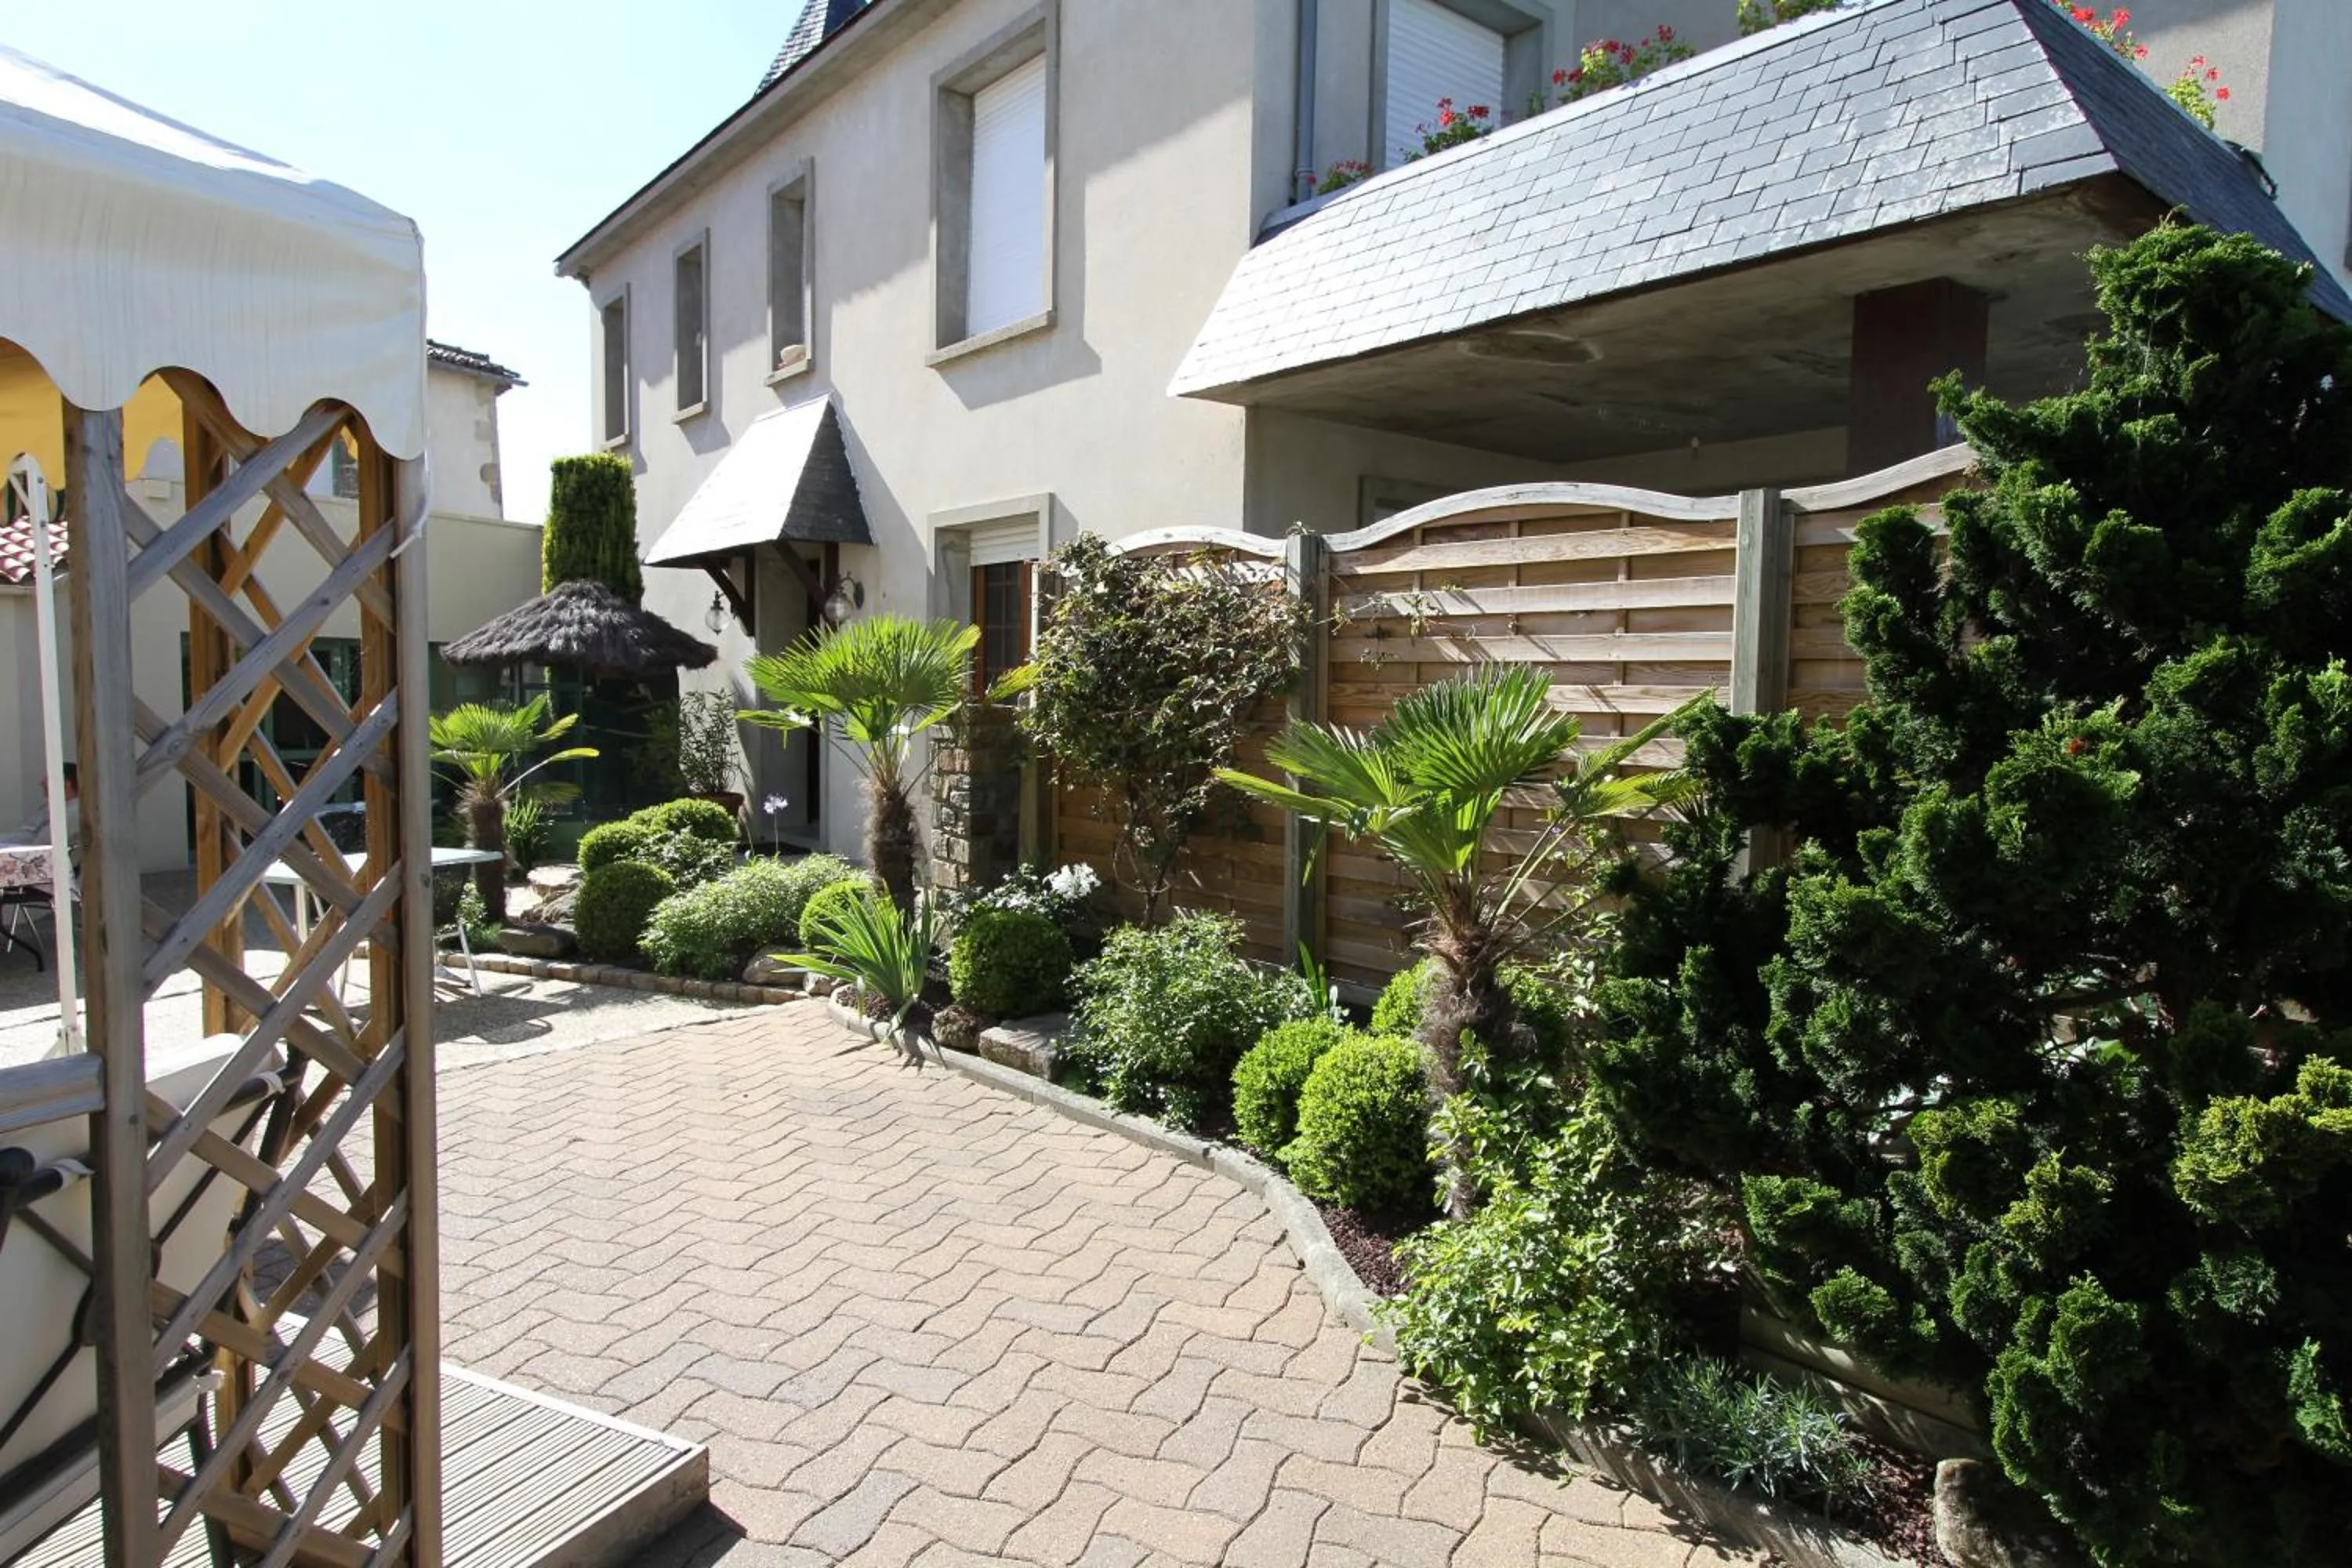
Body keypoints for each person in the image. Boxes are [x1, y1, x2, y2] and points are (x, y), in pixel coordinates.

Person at [0, 764, 78, 848]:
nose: (41, 783)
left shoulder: (72, 812)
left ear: (67, 784)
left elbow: (41, 845)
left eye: (48, 778)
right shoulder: (52, 807)